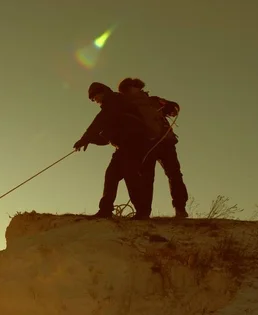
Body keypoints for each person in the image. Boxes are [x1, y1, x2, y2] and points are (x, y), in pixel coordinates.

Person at [73, 82, 152, 220]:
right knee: (111, 175)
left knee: (130, 175)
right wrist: (89, 140)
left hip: (134, 143)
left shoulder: (114, 101)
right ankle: (105, 210)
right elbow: (105, 139)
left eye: (94, 97)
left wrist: (84, 139)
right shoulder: (113, 107)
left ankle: (142, 212)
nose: (95, 101)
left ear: (101, 92)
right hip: (124, 146)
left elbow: (98, 123)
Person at [117, 77, 189, 218]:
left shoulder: (154, 100)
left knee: (173, 174)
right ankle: (144, 212)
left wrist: (172, 107)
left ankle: (180, 208)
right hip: (145, 143)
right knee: (147, 177)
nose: (138, 89)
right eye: (134, 87)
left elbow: (173, 107)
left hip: (165, 141)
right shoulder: (125, 104)